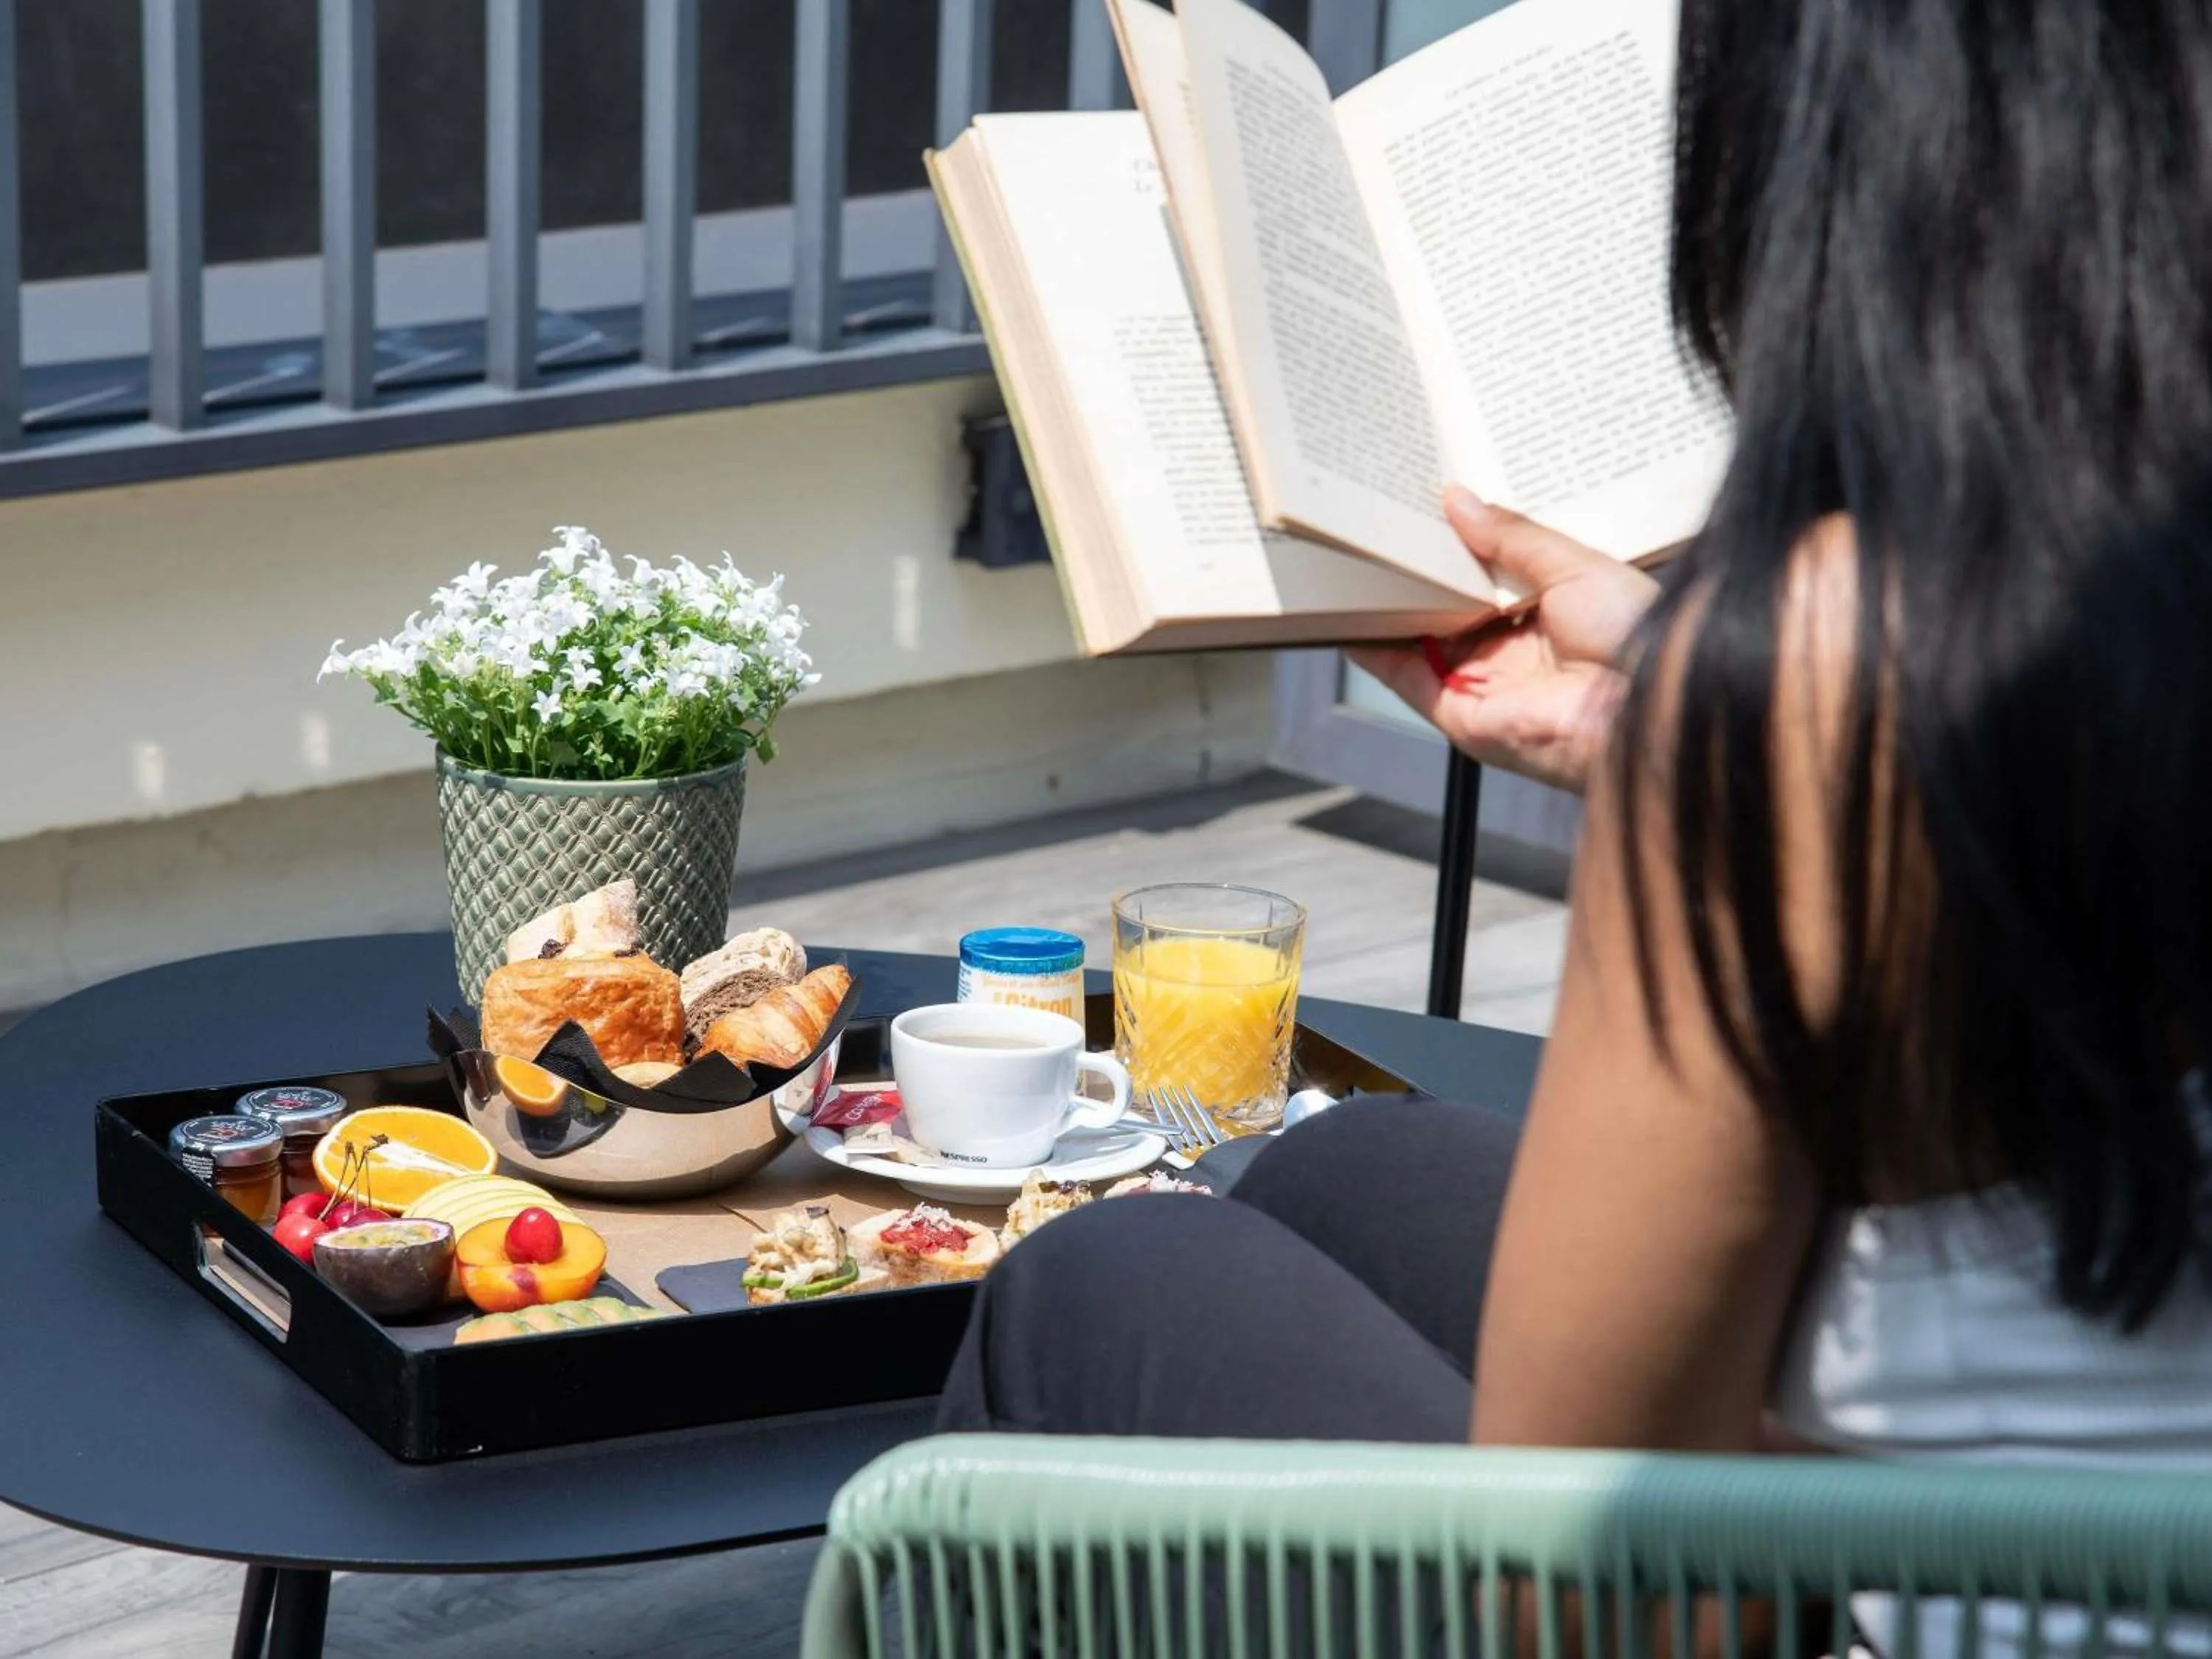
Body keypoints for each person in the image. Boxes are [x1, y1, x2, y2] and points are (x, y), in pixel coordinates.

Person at [938, 0, 2212, 1498]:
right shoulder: (2096, 612)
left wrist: (1715, 747)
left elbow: (1600, 1566)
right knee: (1344, 1163)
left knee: (1101, 1278)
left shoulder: (1829, 666)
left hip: (1932, 1582)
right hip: (2114, 1506)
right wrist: (1680, 695)